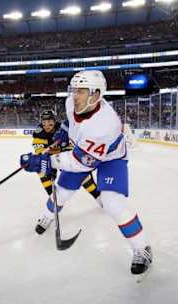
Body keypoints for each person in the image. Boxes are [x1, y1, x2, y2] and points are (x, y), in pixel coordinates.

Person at [20, 70, 152, 277]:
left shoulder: (104, 125)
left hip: (111, 159)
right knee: (61, 192)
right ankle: (46, 217)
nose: (75, 95)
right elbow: (71, 122)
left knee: (113, 203)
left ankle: (142, 249)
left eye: (82, 91)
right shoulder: (72, 102)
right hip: (83, 151)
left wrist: (45, 163)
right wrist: (64, 131)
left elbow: (80, 163)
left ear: (97, 94)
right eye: (74, 90)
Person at [32, 109, 101, 234]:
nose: (47, 125)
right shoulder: (38, 133)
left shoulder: (63, 129)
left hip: (65, 157)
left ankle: (99, 197)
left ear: (55, 121)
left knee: (82, 175)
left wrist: (57, 153)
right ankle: (51, 205)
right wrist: (49, 167)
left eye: (50, 122)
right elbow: (40, 154)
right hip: (49, 160)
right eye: (44, 122)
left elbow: (70, 150)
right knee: (41, 171)